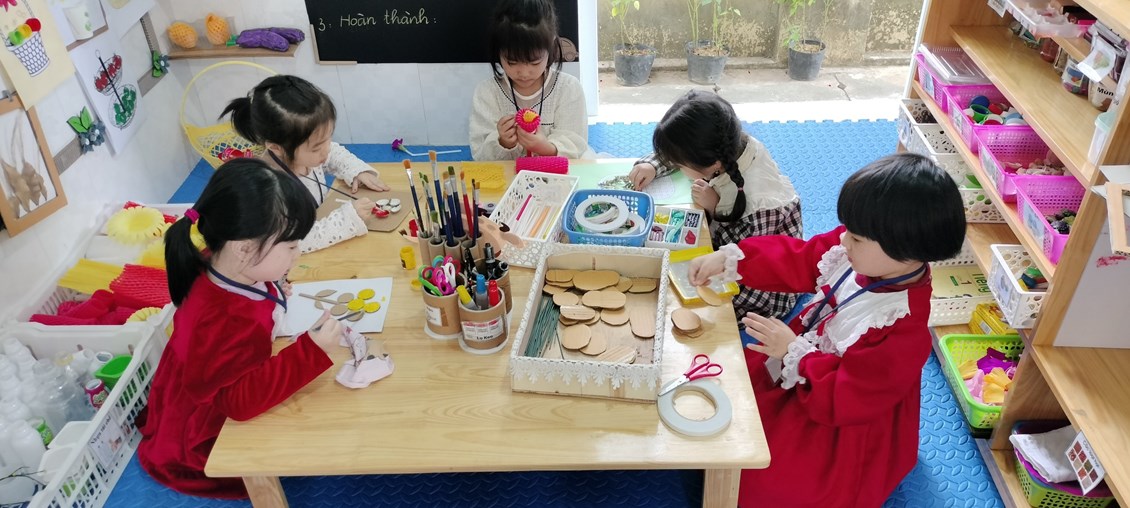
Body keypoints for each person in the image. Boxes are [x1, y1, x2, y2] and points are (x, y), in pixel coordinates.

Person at [688, 153, 967, 507]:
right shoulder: (859, 250)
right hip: (809, 364)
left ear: (907, 251)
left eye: (857, 238)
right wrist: (732, 260)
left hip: (839, 409)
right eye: (847, 229)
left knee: (757, 483)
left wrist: (796, 354)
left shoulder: (900, 325)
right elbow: (799, 258)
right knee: (726, 396)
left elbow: (851, 395)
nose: (843, 241)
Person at [138, 159, 343, 498]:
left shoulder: (225, 262)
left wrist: (275, 288)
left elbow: (252, 296)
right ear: (244, 247)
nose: (298, 253)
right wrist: (310, 352)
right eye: (291, 246)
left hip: (205, 378)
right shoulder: (224, 320)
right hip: (206, 425)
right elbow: (238, 402)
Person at [630, 90, 803, 320]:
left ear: (712, 164)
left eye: (680, 165)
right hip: (735, 248)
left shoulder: (758, 204)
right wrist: (652, 165)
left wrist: (715, 209)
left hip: (761, 289)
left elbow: (740, 262)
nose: (677, 166)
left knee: (680, 302)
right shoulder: (728, 146)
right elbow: (681, 149)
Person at [222, 75, 389, 253]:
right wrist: (346, 220)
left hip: (322, 227)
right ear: (276, 147)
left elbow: (333, 153)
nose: (326, 150)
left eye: (328, 138)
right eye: (317, 148)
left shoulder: (304, 154)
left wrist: (356, 171)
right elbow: (294, 242)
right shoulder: (268, 190)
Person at [469, 0, 595, 160]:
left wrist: (546, 148)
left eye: (534, 62)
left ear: (551, 47)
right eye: (512, 62)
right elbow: (480, 154)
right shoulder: (487, 93)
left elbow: (576, 144)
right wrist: (503, 142)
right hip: (509, 173)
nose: (524, 73)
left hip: (555, 172)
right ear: (498, 51)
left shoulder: (568, 88)